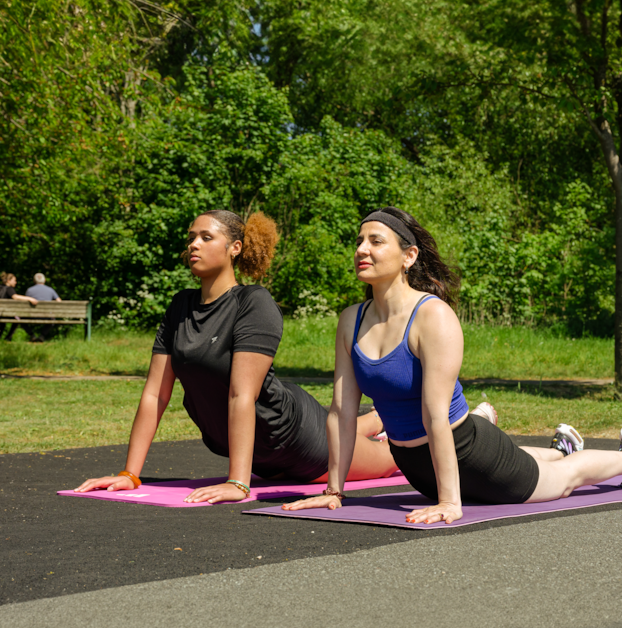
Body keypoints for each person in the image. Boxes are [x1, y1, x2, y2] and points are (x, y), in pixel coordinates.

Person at [283, 207, 622, 525]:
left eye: (375, 241)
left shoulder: (432, 318)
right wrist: (334, 491)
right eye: (359, 241)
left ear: (409, 256)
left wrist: (450, 501)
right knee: (543, 465)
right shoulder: (351, 320)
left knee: (563, 480)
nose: (362, 249)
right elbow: (341, 412)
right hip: (415, 462)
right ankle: (562, 447)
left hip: (471, 453)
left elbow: (434, 415)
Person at [75, 210, 397, 504]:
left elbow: (242, 394)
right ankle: (377, 418)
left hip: (294, 440)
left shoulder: (253, 302)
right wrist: (130, 474)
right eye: (190, 238)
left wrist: (238, 483)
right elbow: (155, 394)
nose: (193, 245)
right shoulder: (180, 307)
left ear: (235, 248)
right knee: (354, 432)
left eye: (206, 237)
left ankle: (403, 421)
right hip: (260, 455)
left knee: (391, 460)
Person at [0, 272, 39, 341]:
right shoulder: (9, 289)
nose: (16, 282)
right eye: (14, 280)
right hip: (4, 313)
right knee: (17, 318)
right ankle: (8, 337)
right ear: (9, 281)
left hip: (1, 313)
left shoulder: (0, 287)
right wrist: (30, 298)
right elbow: (15, 297)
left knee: (3, 322)